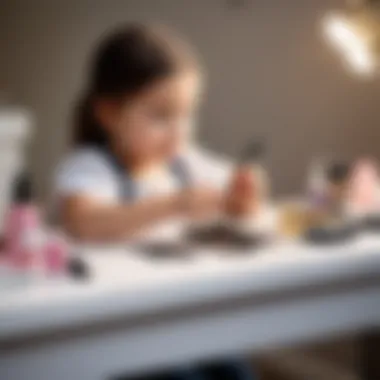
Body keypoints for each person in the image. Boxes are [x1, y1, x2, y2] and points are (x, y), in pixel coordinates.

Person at [54, 23, 257, 379]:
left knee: (236, 370)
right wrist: (172, 204)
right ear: (109, 114)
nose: (179, 131)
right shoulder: (90, 167)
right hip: (118, 331)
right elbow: (82, 221)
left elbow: (239, 202)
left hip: (181, 317)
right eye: (161, 116)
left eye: (187, 114)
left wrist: (242, 195)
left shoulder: (185, 163)